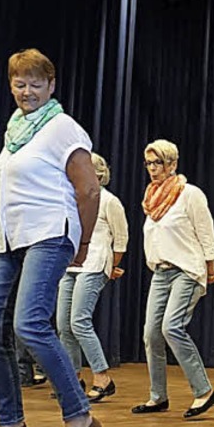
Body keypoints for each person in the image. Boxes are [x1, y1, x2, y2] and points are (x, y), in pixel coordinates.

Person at [0, 48, 102, 427]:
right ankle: (10, 422)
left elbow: (89, 190)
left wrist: (81, 241)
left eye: (35, 84)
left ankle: (79, 418)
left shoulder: (63, 127)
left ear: (52, 85)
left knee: (29, 323)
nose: (27, 91)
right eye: (19, 83)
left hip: (50, 232)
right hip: (9, 238)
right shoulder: (15, 130)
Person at [131, 139, 214, 418]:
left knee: (172, 327)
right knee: (151, 334)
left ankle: (204, 392)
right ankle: (158, 396)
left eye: (158, 162)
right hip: (161, 271)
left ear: (172, 164)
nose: (152, 169)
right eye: (149, 163)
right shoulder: (151, 197)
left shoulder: (189, 193)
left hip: (187, 269)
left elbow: (206, 231)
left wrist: (210, 267)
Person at [57, 152, 128, 403]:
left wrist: (111, 266)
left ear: (97, 174)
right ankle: (73, 379)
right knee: (63, 325)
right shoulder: (73, 200)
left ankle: (102, 377)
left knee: (79, 321)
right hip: (70, 266)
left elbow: (121, 240)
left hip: (95, 264)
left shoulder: (109, 201)